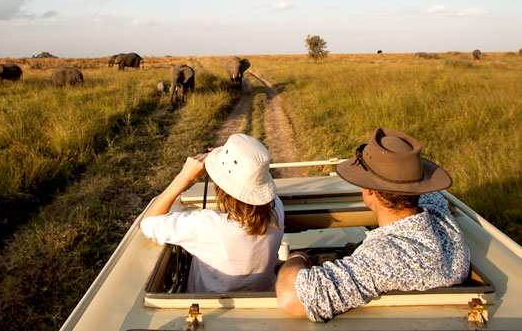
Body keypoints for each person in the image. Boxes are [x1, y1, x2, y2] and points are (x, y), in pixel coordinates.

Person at [276, 127, 470, 322]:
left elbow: (290, 298)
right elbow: (431, 194)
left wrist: (297, 257)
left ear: (369, 191)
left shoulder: (385, 257)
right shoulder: (440, 218)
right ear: (417, 189)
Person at [140, 133, 285, 293]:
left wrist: (184, 177)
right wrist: (229, 164)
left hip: (209, 306)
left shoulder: (205, 226)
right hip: (261, 297)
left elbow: (148, 224)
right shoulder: (276, 209)